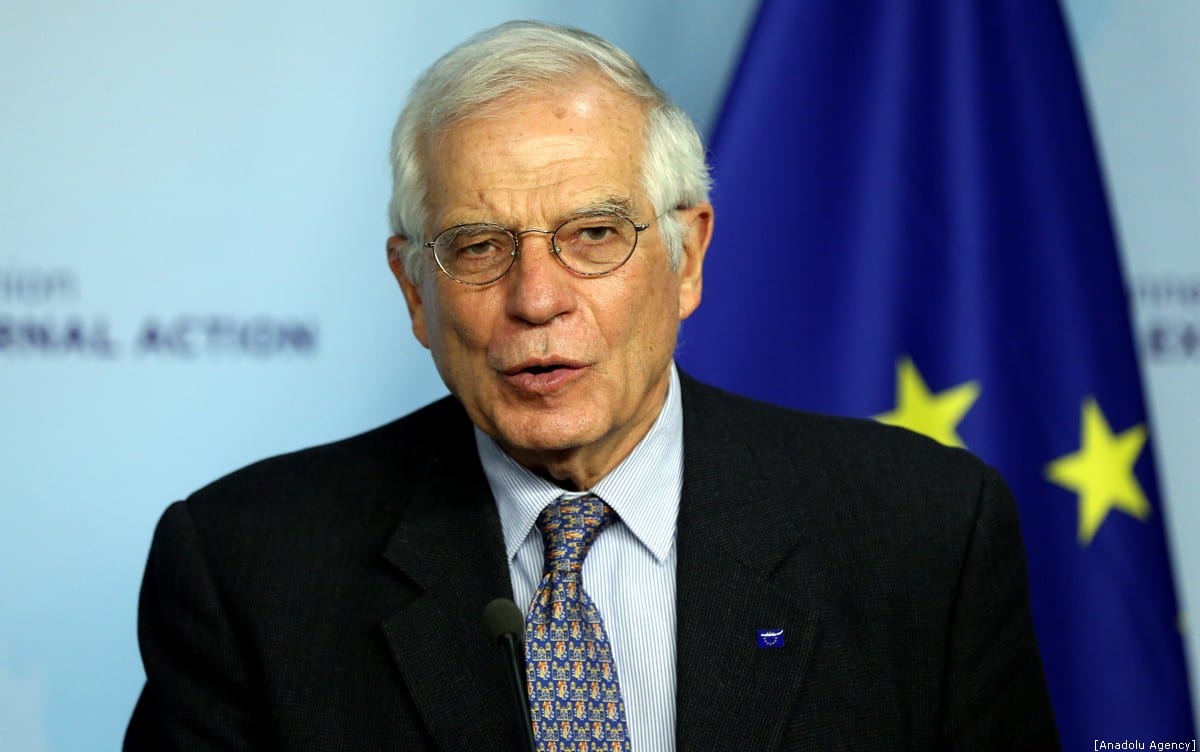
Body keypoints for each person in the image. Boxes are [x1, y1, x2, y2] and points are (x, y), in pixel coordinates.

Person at [124, 20, 1059, 751]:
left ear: (686, 258)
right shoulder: (250, 568)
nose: (538, 300)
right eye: (479, 248)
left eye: (595, 234)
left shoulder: (922, 532)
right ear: (415, 292)